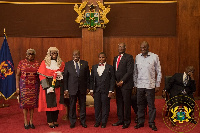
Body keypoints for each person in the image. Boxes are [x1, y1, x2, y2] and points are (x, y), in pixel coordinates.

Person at [134, 41, 162, 131]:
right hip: (140, 84)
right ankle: (140, 122)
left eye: (144, 47)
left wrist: (157, 84)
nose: (143, 49)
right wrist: (135, 84)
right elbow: (135, 72)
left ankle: (151, 122)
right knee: (140, 104)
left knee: (151, 105)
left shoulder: (155, 56)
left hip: (150, 85)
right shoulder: (137, 57)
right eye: (141, 48)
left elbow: (159, 71)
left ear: (148, 47)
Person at [37, 47, 65, 128]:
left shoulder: (61, 63)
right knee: (49, 104)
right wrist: (47, 87)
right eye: (52, 53)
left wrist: (61, 75)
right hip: (48, 87)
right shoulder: (44, 63)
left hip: (58, 87)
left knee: (57, 104)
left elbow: (64, 73)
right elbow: (41, 76)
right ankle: (49, 121)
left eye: (55, 53)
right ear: (49, 53)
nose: (54, 55)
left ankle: (55, 120)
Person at [64, 50, 90, 128]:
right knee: (72, 106)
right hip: (72, 89)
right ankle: (72, 121)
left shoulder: (85, 63)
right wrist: (66, 89)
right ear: (72, 55)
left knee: (82, 105)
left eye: (77, 55)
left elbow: (88, 77)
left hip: (82, 88)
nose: (75, 56)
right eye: (74, 55)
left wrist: (88, 87)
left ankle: (83, 121)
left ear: (79, 55)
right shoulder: (68, 64)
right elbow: (65, 78)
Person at [16, 48, 40, 129]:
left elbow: (40, 75)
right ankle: (25, 122)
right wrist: (17, 87)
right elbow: (17, 75)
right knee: (25, 105)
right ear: (26, 54)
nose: (30, 55)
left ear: (34, 55)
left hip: (34, 86)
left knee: (32, 105)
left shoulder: (37, 63)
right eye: (29, 54)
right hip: (24, 86)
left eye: (32, 54)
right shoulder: (21, 63)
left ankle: (31, 121)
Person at [90, 52, 115, 128]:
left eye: (103, 57)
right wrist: (91, 90)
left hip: (106, 90)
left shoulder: (110, 67)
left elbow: (112, 80)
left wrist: (111, 91)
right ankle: (97, 121)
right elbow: (91, 79)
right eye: (100, 57)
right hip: (96, 90)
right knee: (97, 106)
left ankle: (104, 122)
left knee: (105, 107)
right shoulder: (94, 67)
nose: (101, 59)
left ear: (105, 58)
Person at [112, 43, 134, 129]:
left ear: (125, 48)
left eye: (122, 46)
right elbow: (114, 71)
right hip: (117, 85)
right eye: (119, 46)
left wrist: (122, 81)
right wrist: (115, 82)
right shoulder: (115, 58)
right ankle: (120, 119)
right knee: (119, 103)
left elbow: (129, 71)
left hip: (126, 84)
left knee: (126, 103)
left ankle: (127, 121)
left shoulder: (129, 57)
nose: (120, 48)